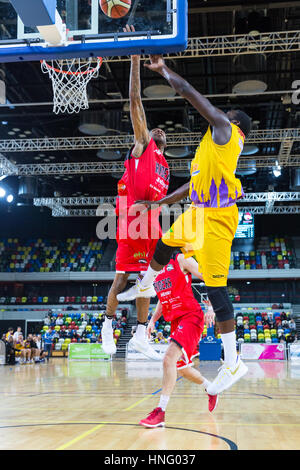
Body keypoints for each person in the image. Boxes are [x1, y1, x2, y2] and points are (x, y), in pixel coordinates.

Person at [118, 54, 251, 396]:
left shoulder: (225, 130)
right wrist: (157, 203)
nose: (221, 113)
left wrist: (164, 71)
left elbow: (190, 92)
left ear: (234, 122)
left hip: (218, 217)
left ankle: (233, 361)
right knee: (164, 244)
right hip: (199, 210)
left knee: (216, 289)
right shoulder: (208, 151)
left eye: (227, 112)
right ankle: (145, 286)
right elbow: (189, 187)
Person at [101, 27, 170, 361]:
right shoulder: (142, 146)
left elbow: (163, 201)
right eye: (155, 129)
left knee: (148, 280)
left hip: (152, 228)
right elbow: (135, 102)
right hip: (131, 225)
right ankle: (107, 324)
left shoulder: (166, 169)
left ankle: (142, 335)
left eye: (163, 132)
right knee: (121, 279)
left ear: (167, 146)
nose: (158, 130)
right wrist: (135, 57)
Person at [139, 253, 218, 428]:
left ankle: (160, 412)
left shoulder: (181, 259)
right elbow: (162, 299)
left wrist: (211, 306)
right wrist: (152, 320)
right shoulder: (154, 270)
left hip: (191, 316)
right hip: (175, 320)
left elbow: (211, 277)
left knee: (168, 359)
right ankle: (211, 388)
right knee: (182, 369)